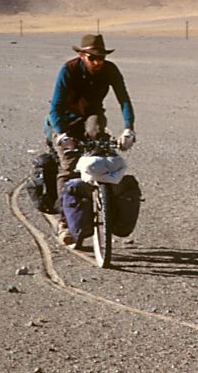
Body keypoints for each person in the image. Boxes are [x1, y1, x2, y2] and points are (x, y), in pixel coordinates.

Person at [45, 34, 135, 244]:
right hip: (64, 120)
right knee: (68, 166)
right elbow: (55, 107)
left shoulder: (110, 70)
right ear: (81, 54)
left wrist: (129, 128)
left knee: (101, 149)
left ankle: (108, 205)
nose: (98, 62)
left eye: (101, 58)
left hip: (92, 116)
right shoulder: (69, 70)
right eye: (92, 58)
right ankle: (65, 223)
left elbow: (124, 99)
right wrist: (62, 134)